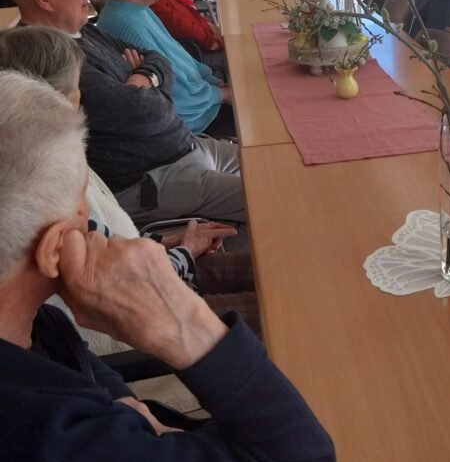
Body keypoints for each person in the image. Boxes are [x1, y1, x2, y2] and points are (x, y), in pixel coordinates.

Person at [0, 70, 335, 462]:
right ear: (56, 248)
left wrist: (135, 426)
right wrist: (182, 322)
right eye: (83, 207)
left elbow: (117, 402)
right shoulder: (56, 458)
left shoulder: (39, 331)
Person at [0, 25, 257, 336]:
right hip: (148, 315)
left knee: (273, 270)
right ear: (59, 99)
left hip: (153, 272)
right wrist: (184, 254)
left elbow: (100, 240)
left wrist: (167, 243)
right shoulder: (48, 189)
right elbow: (117, 286)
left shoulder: (42, 166)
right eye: (80, 89)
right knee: (283, 298)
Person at [0, 0, 245, 225]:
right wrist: (150, 83)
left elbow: (157, 59)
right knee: (273, 196)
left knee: (277, 163)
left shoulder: (82, 31)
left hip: (186, 146)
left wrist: (141, 77)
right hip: (155, 178)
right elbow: (148, 112)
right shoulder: (47, 60)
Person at [97, 0, 235, 137]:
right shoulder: (124, 23)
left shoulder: (136, 9)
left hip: (202, 96)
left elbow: (178, 55)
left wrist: (212, 82)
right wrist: (221, 94)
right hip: (192, 116)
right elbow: (173, 87)